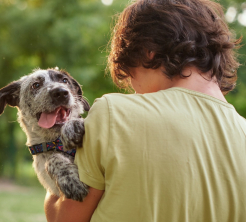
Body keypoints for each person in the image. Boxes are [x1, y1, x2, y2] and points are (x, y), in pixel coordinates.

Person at [44, 0, 246, 221]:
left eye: (130, 75)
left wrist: (51, 159)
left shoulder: (114, 113)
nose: (134, 90)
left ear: (147, 51)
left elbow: (63, 218)